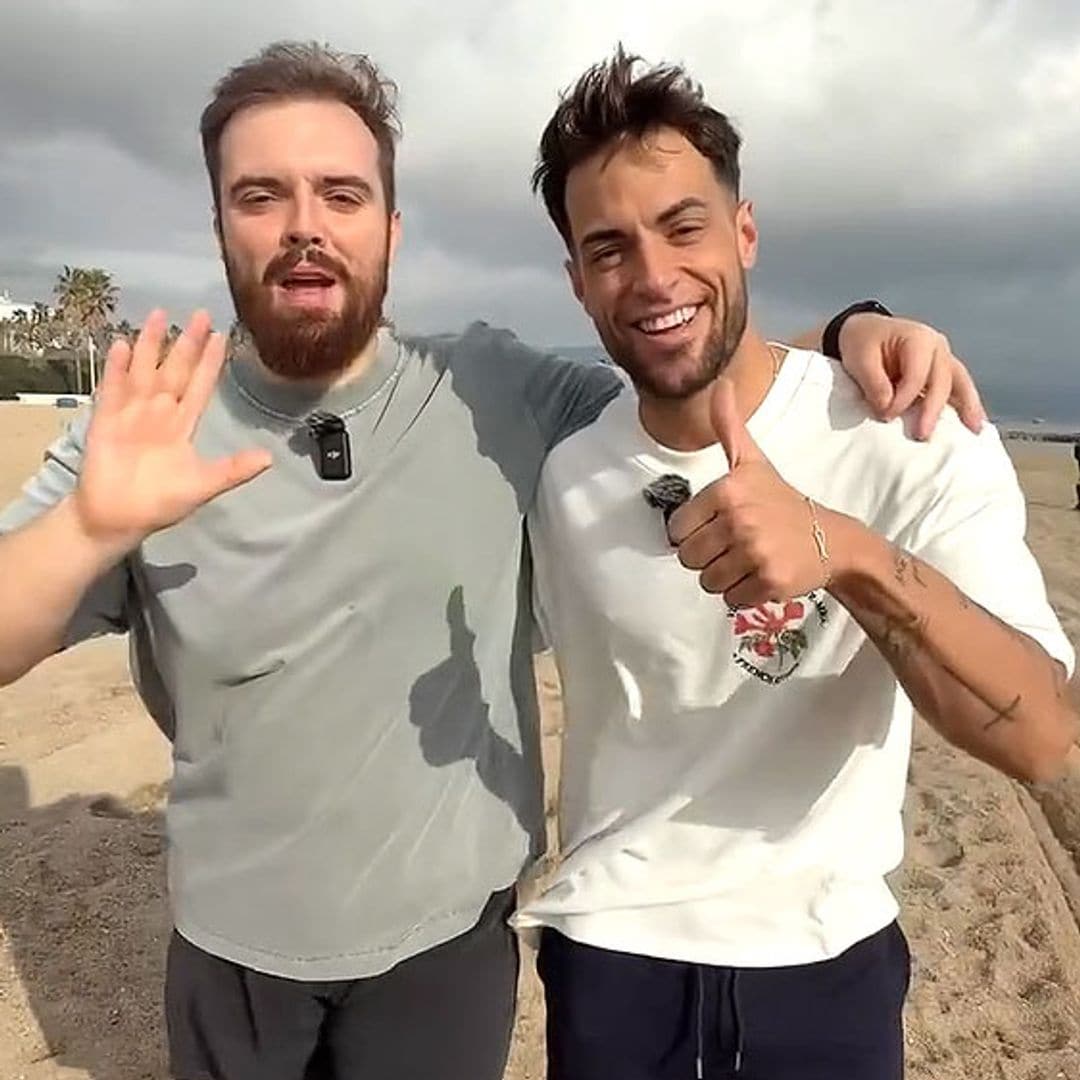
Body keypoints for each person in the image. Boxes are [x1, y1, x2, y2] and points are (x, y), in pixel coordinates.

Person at [0, 41, 985, 1080]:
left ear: (389, 226)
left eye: (340, 193)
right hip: (232, 948)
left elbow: (685, 369)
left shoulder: (490, 389)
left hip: (448, 951)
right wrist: (91, 526)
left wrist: (848, 329)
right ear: (219, 226)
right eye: (261, 195)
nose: (303, 226)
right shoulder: (147, 427)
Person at [517, 48, 1078, 1080]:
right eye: (609, 248)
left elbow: (1044, 734)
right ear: (575, 282)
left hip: (828, 959)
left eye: (685, 227)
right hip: (611, 959)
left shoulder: (905, 432)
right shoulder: (561, 471)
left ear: (746, 230)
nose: (652, 276)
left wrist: (846, 553)